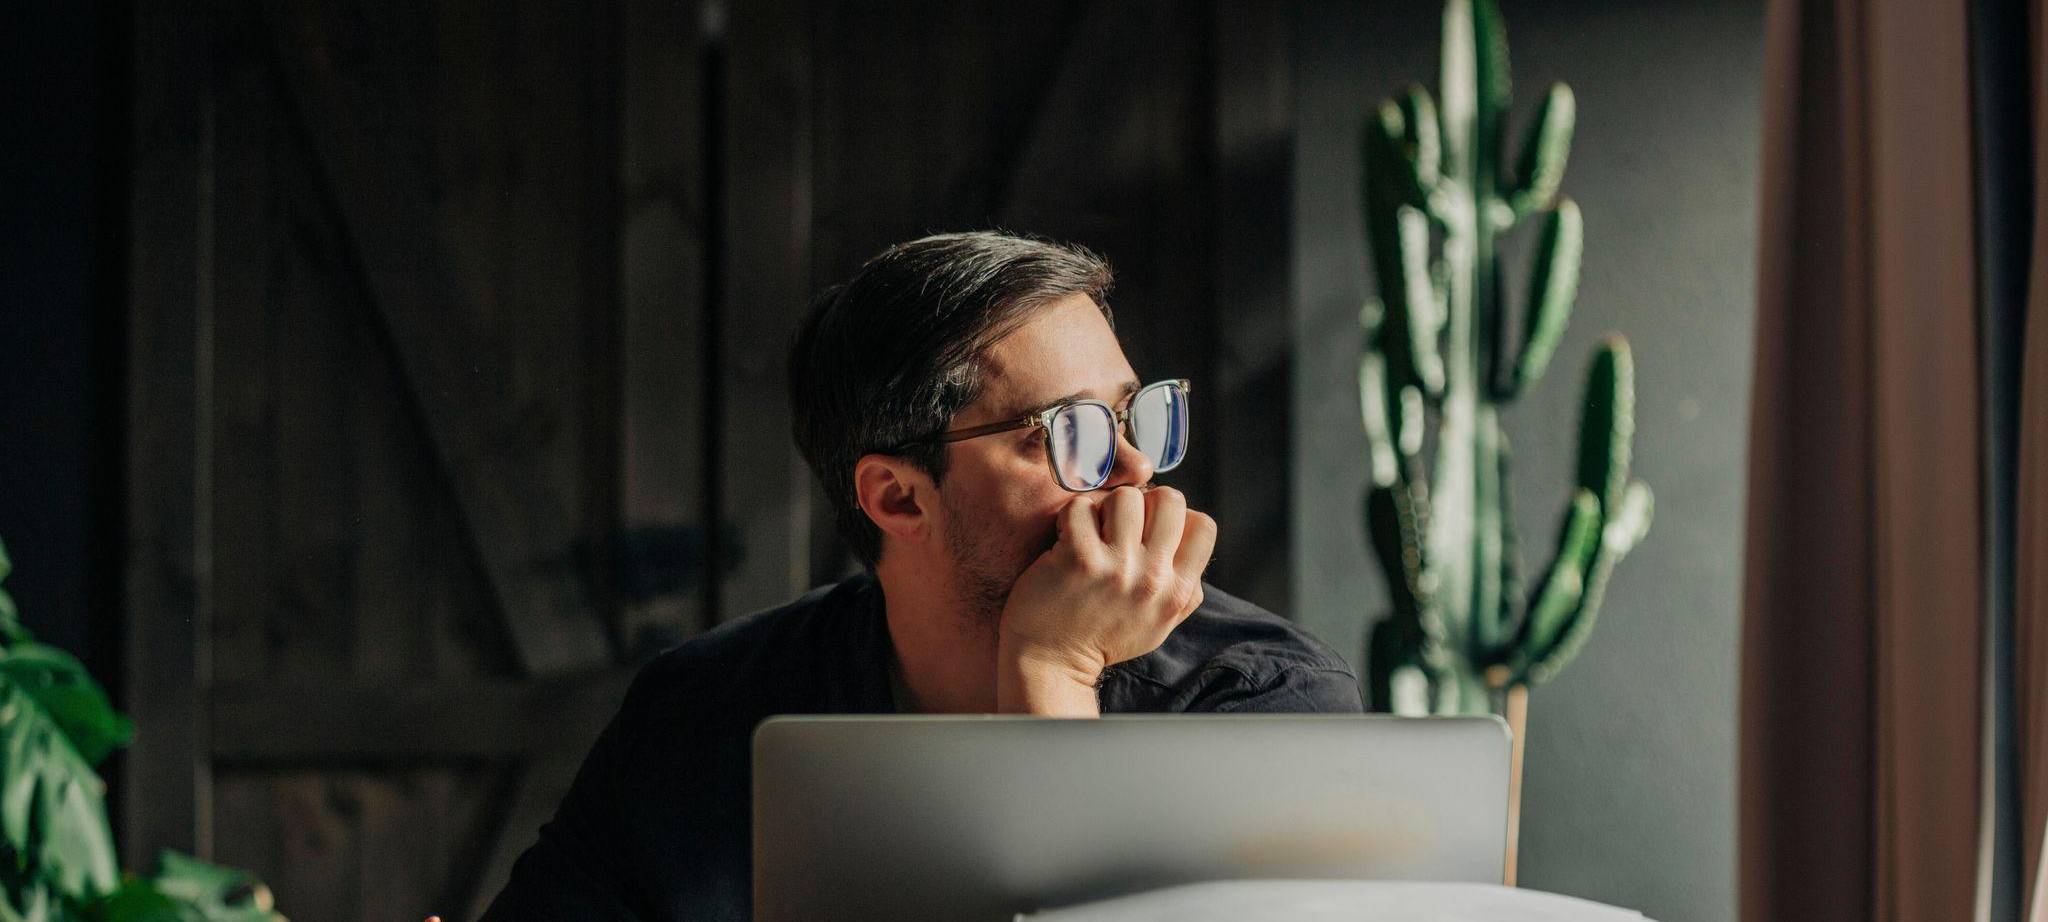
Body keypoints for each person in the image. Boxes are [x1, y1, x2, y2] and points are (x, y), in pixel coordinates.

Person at [479, 232, 1362, 921]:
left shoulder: (1263, 699)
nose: (1136, 472)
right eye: (1074, 433)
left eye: (1137, 416)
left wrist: (1053, 666)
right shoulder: (703, 710)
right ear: (899, 500)